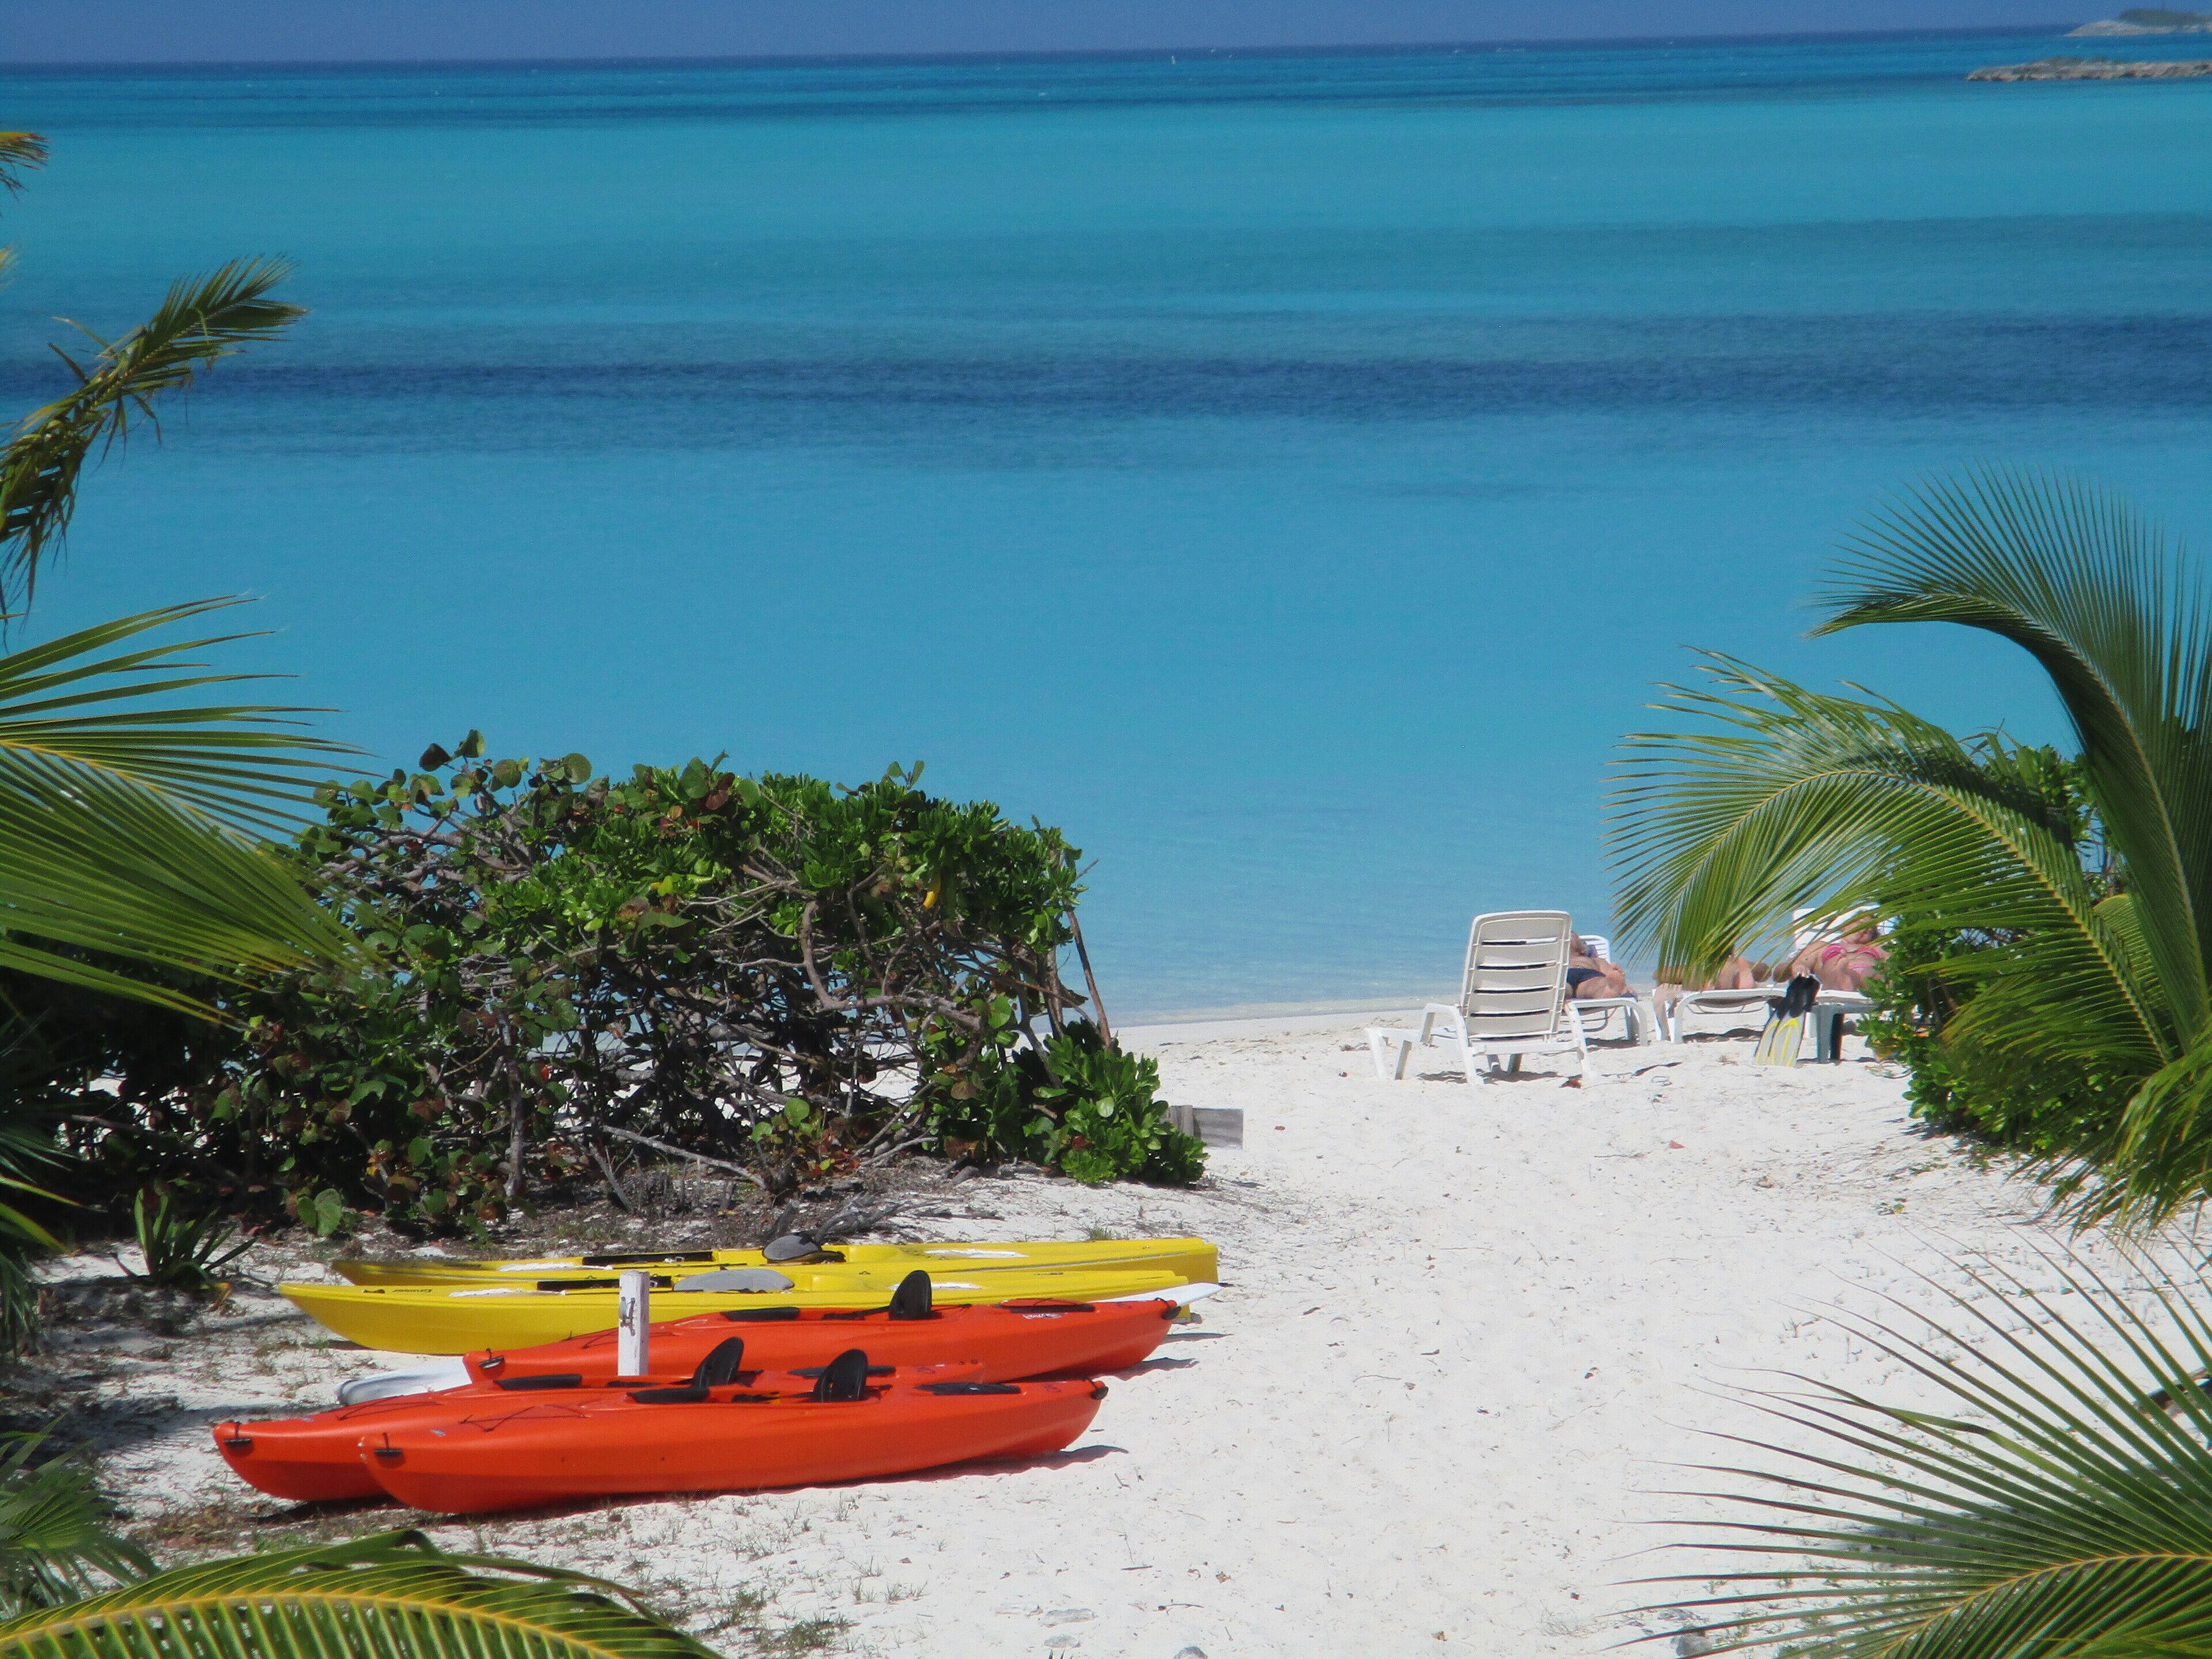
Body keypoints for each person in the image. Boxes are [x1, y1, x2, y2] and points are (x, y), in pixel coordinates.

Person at [1565, 934, 1630, 1002]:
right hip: (1562, 977)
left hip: (1587, 975)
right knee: (1564, 989)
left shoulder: (1596, 960)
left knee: (1596, 984)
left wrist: (1614, 980)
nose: (1568, 935)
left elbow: (1607, 975)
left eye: (1573, 936)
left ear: (1582, 950)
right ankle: (1557, 994)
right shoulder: (1556, 961)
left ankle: (1608, 991)